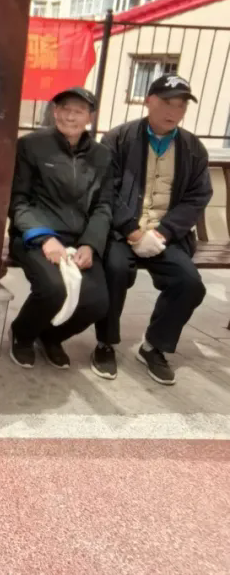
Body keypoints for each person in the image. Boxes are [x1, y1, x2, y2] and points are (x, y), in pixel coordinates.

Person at [94, 74, 211, 385]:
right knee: (114, 269)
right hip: (122, 232)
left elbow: (198, 196)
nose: (174, 111)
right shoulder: (118, 139)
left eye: (181, 105)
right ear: (149, 101)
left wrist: (163, 233)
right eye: (167, 102)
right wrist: (131, 231)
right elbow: (105, 190)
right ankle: (105, 343)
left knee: (190, 283)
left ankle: (154, 346)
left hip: (165, 235)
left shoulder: (193, 148)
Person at [7, 87, 112, 370]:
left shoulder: (102, 155)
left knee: (97, 302)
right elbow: (18, 200)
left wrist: (90, 243)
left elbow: (103, 206)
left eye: (79, 111)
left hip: (78, 239)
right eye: (65, 109)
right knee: (53, 288)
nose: (71, 117)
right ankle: (23, 334)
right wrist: (44, 238)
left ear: (90, 117)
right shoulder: (31, 146)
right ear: (55, 112)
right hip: (35, 236)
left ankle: (51, 336)